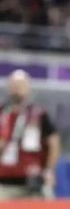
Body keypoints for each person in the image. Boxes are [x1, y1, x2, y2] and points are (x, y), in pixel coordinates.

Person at [0, 69, 60, 200]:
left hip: (33, 181)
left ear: (28, 89)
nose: (17, 90)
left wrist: (49, 169)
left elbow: (53, 143)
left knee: (47, 206)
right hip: (3, 182)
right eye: (14, 86)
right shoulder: (2, 113)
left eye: (20, 87)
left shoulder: (38, 114)